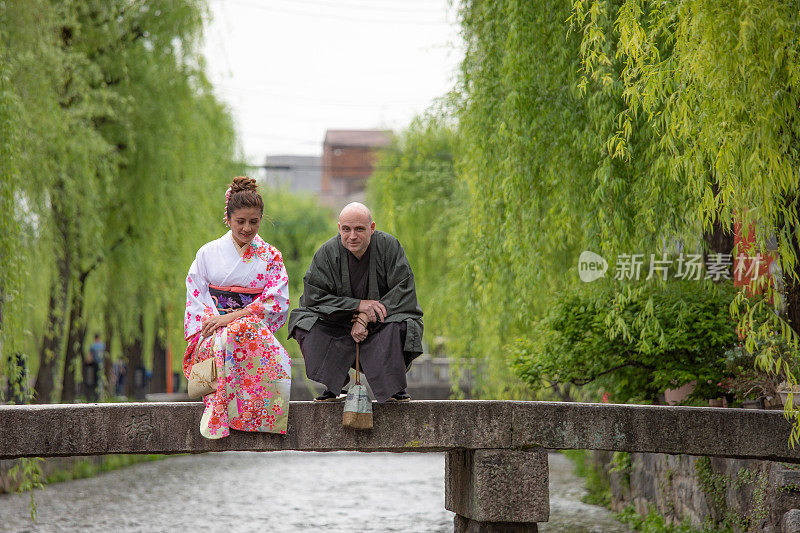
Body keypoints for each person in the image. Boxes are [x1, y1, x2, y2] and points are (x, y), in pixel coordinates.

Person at [183, 176, 291, 439]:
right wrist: (218, 322)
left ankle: (255, 417)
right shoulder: (208, 253)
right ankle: (222, 414)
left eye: (253, 222)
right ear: (228, 219)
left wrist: (232, 318)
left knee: (247, 332)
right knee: (228, 338)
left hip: (253, 331)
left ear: (260, 220)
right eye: (240, 221)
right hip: (211, 332)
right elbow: (196, 296)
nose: (247, 228)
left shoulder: (271, 256)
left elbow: (276, 301)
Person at [288, 202, 423, 403]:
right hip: (339, 326)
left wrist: (365, 316)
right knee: (303, 322)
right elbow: (313, 297)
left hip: (381, 325)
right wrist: (357, 305)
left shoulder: (389, 247)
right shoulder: (327, 253)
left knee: (404, 324)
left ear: (372, 228)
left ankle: (393, 389)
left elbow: (403, 290)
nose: (352, 236)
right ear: (339, 228)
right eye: (346, 229)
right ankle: (335, 386)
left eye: (360, 229)